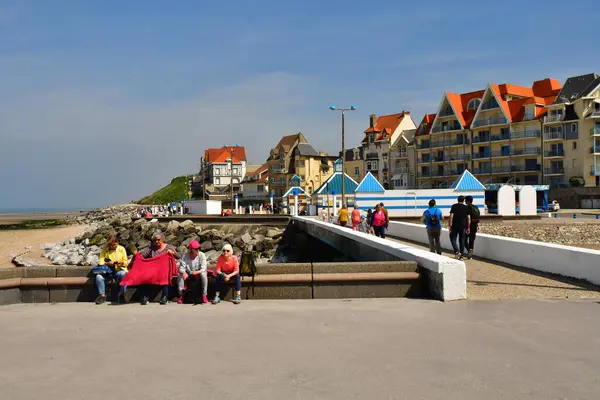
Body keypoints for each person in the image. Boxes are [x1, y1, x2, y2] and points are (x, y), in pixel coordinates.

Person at [137, 232, 180, 305]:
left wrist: (173, 253)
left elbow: (179, 256)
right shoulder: (152, 248)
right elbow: (143, 254)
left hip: (164, 270)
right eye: (155, 240)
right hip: (154, 269)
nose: (156, 242)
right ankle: (145, 297)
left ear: (162, 240)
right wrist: (137, 254)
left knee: (165, 275)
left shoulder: (168, 247)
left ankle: (165, 297)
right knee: (144, 275)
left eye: (158, 240)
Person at [94, 236, 129, 305]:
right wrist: (107, 263)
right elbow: (101, 261)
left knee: (123, 274)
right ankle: (102, 295)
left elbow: (126, 262)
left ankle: (122, 294)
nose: (112, 246)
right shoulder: (104, 250)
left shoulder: (121, 249)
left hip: (118, 269)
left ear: (117, 243)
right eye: (110, 245)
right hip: (107, 271)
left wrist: (120, 262)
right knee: (99, 277)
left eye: (114, 244)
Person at [177, 240, 208, 305]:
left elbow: (204, 268)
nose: (197, 250)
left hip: (198, 272)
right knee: (180, 276)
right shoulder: (185, 256)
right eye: (195, 249)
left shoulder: (201, 255)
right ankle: (181, 295)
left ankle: (204, 294)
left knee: (204, 275)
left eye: (198, 249)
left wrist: (197, 272)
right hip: (189, 272)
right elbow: (181, 267)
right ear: (190, 250)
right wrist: (183, 272)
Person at [449, 195, 471, 260]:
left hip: (455, 226)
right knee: (462, 241)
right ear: (463, 200)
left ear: (457, 200)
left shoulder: (454, 206)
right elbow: (469, 218)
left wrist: (450, 225)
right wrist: (468, 227)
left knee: (453, 239)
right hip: (463, 226)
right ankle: (461, 256)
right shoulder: (466, 207)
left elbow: (451, 216)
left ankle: (457, 251)